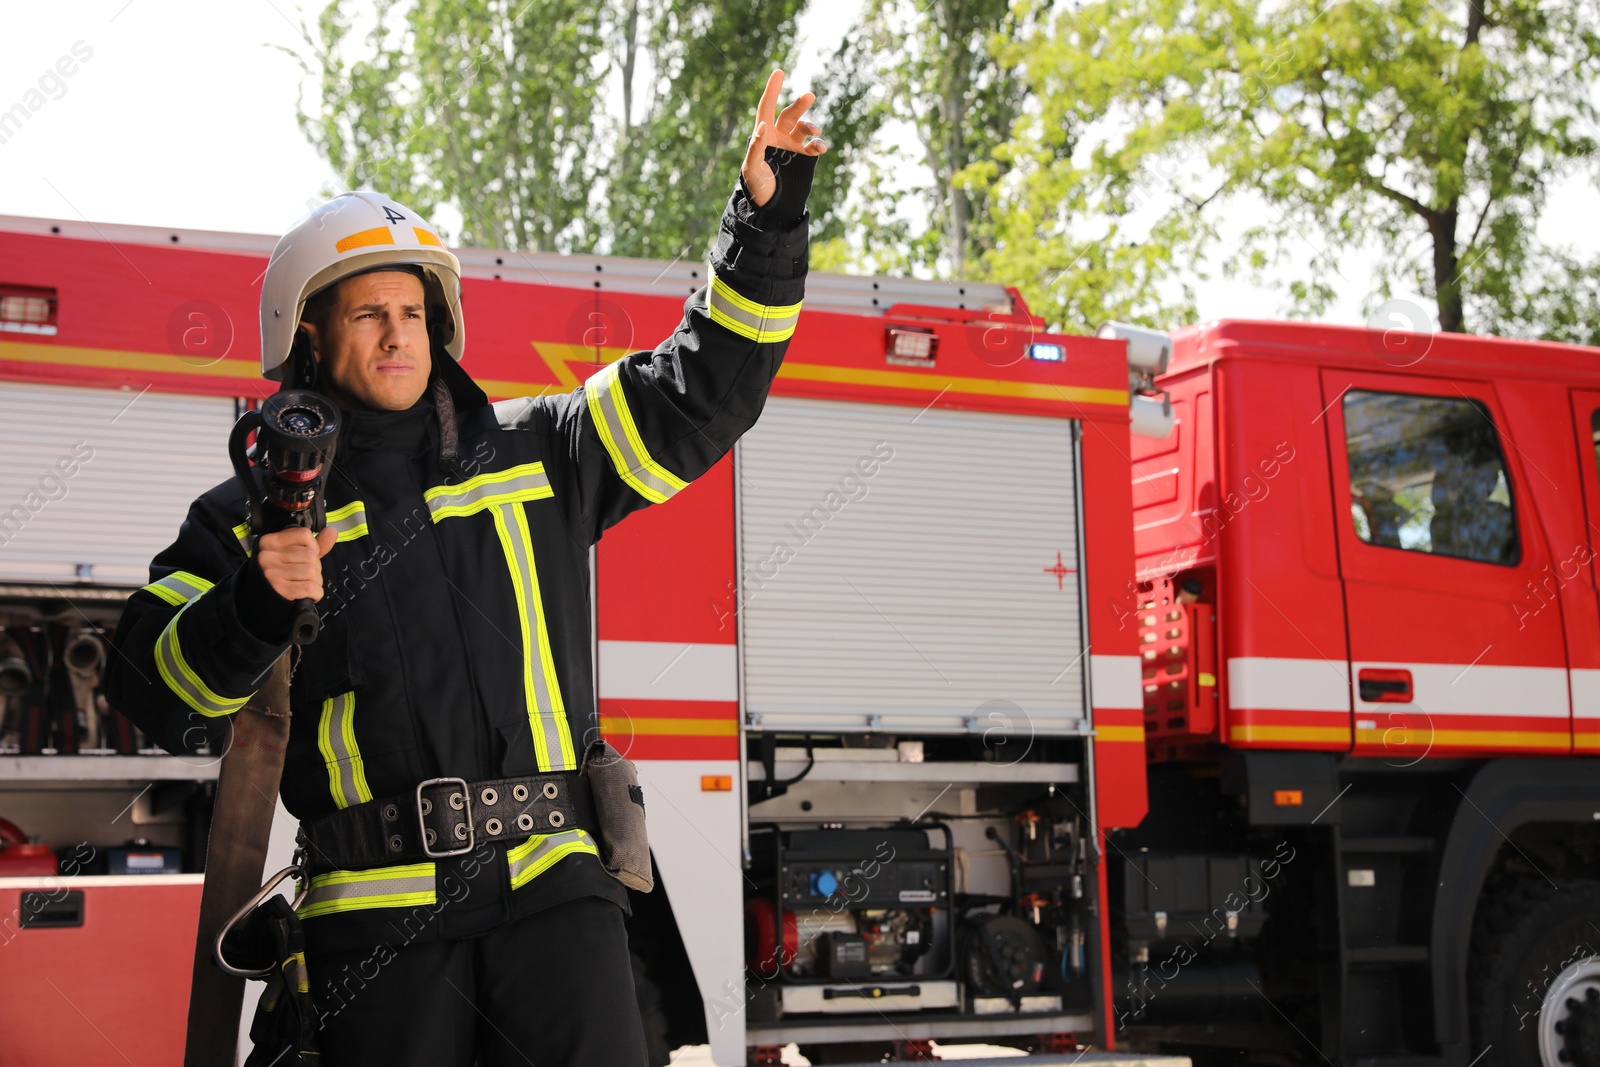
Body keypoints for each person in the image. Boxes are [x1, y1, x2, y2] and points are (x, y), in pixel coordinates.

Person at [106, 69, 826, 1066]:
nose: (398, 332)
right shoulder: (256, 516)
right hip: (378, 928)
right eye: (368, 314)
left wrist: (764, 217)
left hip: (557, 902)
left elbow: (704, 386)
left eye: (412, 309)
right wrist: (254, 605)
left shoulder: (542, 455)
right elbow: (148, 689)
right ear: (309, 332)